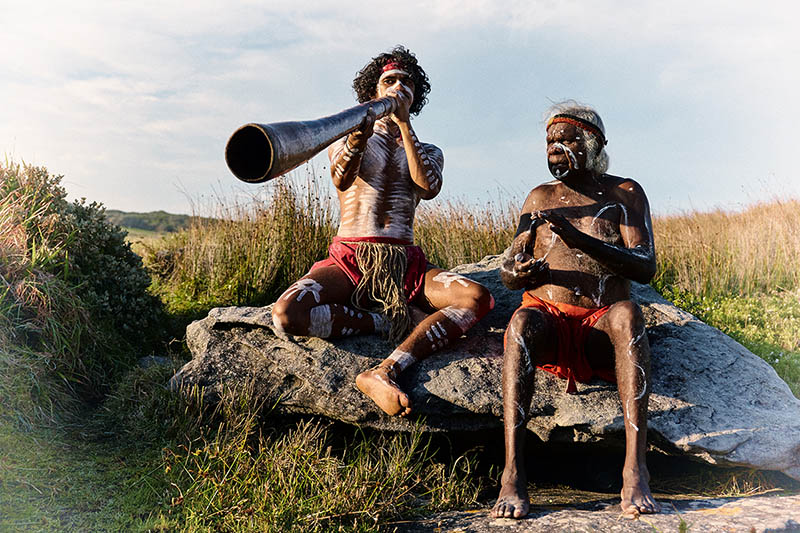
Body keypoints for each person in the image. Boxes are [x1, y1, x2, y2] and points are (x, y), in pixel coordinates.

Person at [272, 46, 493, 417]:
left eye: (406, 82)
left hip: (405, 262)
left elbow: (428, 187)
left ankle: (386, 369)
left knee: (477, 299)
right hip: (349, 259)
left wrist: (405, 125)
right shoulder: (344, 138)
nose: (398, 87)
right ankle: (387, 319)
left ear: (415, 95)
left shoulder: (429, 150)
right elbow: (341, 178)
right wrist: (358, 137)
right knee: (286, 315)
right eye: (389, 80)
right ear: (374, 92)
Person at [491, 101, 661, 519]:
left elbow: (645, 265)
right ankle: (512, 473)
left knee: (628, 316)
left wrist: (580, 240)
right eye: (550, 141)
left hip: (599, 328)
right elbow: (509, 273)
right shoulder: (539, 198)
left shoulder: (624, 194)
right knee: (520, 322)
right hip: (550, 321)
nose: (555, 149)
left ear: (594, 145)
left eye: (566, 140)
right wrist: (518, 270)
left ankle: (635, 471)